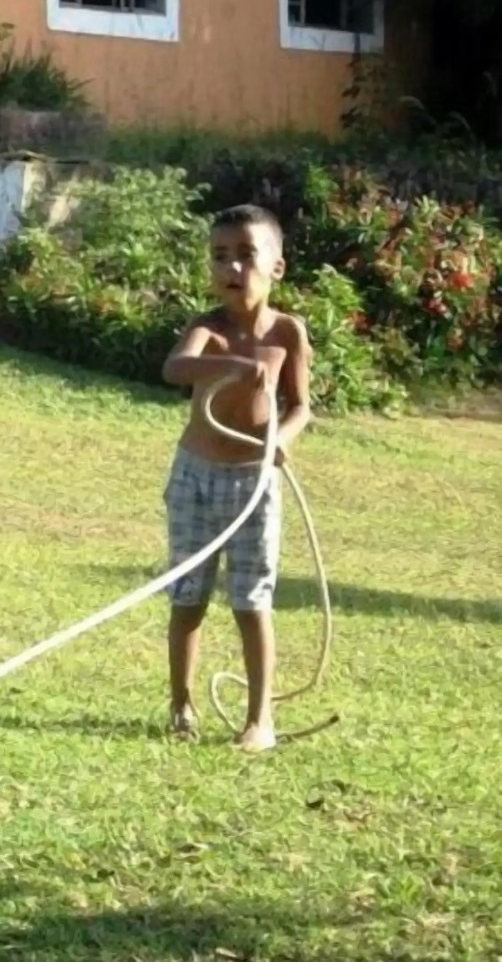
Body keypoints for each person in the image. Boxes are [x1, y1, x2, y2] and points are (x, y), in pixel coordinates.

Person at [160, 204, 314, 751]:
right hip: (195, 477)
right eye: (220, 256)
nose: (232, 267)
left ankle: (259, 720)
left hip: (254, 484)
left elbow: (300, 406)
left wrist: (281, 441)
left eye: (247, 255)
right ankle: (181, 704)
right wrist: (231, 367)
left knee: (252, 599)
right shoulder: (207, 327)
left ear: (276, 267)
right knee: (188, 596)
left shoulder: (289, 333)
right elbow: (175, 368)